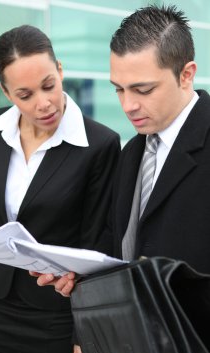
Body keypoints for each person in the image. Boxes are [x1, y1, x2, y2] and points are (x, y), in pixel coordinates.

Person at [0, 25, 120, 353]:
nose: (43, 102)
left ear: (60, 70)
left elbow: (97, 242)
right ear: (6, 92)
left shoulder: (99, 145)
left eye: (49, 85)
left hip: (56, 315)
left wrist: (86, 329)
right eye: (25, 94)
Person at [38, 4, 210, 300]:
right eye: (119, 89)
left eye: (142, 90)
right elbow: (121, 246)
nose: (128, 105)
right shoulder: (132, 152)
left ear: (186, 75)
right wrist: (79, 274)